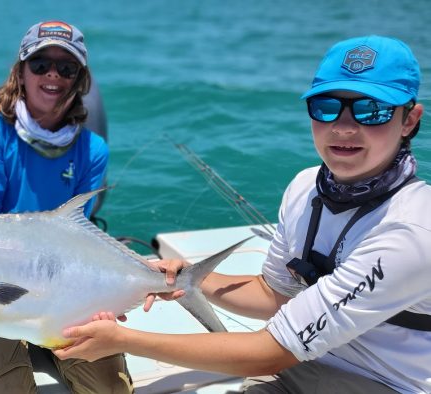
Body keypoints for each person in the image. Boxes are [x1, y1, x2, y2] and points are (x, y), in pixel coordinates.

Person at [53, 35, 431, 393]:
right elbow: (274, 294)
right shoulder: (305, 187)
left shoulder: (411, 230)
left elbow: (270, 351)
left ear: (409, 120)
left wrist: (124, 341)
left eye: (372, 110)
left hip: (389, 383)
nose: (345, 127)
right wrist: (186, 278)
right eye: (327, 106)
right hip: (305, 366)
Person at [0, 20, 133, 394]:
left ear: (79, 79)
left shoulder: (93, 150)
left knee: (110, 389)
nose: (52, 75)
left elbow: (76, 237)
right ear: (20, 71)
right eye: (40, 64)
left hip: (63, 293)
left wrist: (103, 297)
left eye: (66, 67)